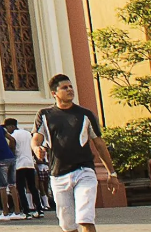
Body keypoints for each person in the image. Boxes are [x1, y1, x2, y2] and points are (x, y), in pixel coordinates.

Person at [31, 73, 116, 232]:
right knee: (67, 225)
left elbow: (99, 144)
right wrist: (37, 149)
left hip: (84, 171)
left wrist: (112, 173)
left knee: (85, 218)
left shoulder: (85, 114)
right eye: (65, 88)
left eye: (71, 87)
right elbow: (36, 138)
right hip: (59, 174)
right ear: (54, 93)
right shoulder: (44, 115)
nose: (70, 90)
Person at [9, 118, 39, 217]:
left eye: (7, 128)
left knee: (20, 188)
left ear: (12, 126)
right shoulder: (27, 133)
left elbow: (12, 148)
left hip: (19, 164)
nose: (7, 131)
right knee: (32, 187)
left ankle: (26, 210)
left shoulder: (13, 136)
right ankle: (39, 209)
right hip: (30, 163)